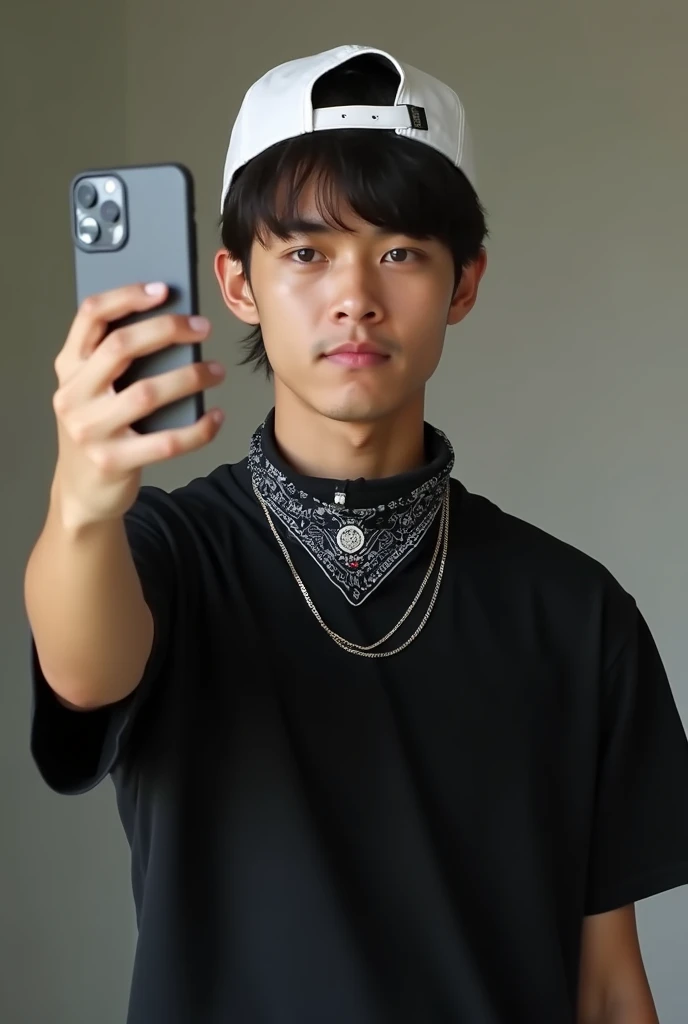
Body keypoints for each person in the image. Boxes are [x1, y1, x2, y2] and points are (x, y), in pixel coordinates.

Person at [25, 43, 688, 1024]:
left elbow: (605, 982)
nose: (354, 297)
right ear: (236, 282)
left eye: (400, 251)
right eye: (305, 251)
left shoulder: (575, 611)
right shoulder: (166, 556)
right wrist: (84, 498)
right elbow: (83, 668)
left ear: (462, 284)